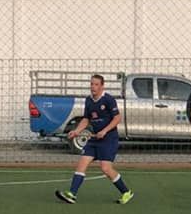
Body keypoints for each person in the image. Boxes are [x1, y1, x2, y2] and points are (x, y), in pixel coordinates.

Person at [55, 73, 134, 205]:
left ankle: (126, 192)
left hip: (109, 139)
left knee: (106, 169)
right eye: (91, 84)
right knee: (82, 164)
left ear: (102, 86)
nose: (93, 87)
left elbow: (117, 118)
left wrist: (104, 131)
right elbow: (86, 119)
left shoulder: (108, 99)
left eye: (96, 84)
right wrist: (76, 131)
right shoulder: (88, 100)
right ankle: (72, 194)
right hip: (94, 140)